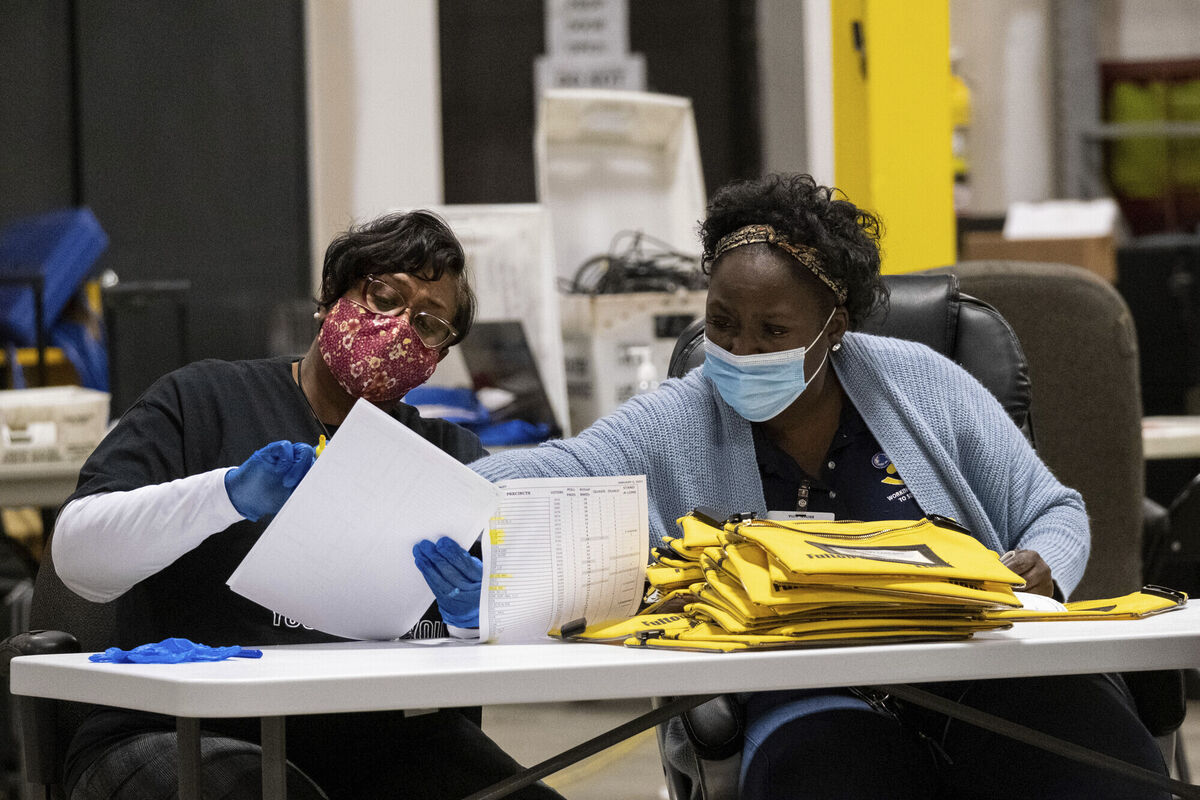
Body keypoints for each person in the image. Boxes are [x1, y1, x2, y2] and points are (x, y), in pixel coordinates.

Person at [424, 174, 1169, 799]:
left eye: (772, 332)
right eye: (721, 324)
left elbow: (1053, 510)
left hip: (972, 673)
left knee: (1108, 768)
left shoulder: (924, 385)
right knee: (830, 777)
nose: (741, 351)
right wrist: (422, 486)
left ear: (833, 324)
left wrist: (1043, 563)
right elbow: (558, 469)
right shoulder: (681, 418)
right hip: (804, 693)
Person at [50, 210, 562, 800]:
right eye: (384, 295)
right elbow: (78, 559)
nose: (399, 328)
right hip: (183, 729)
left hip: (380, 738)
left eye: (428, 324)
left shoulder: (449, 459)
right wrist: (225, 496)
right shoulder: (203, 400)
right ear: (330, 298)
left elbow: (526, 626)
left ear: (439, 358)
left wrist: (484, 613)